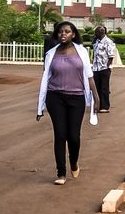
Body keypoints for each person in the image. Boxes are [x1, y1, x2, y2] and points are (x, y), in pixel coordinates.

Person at [36, 21, 100, 185]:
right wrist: (40, 106)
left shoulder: (81, 52)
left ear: (73, 34)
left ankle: (74, 161)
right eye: (60, 32)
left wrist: (96, 97)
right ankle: (61, 173)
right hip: (55, 97)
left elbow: (89, 75)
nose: (63, 34)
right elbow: (45, 79)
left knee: (73, 136)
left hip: (76, 97)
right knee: (60, 134)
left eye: (67, 31)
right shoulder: (51, 53)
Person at [92, 25, 116, 113]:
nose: (95, 34)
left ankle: (104, 106)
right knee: (96, 87)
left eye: (96, 32)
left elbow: (111, 56)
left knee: (104, 88)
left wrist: (106, 67)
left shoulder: (108, 42)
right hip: (96, 68)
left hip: (104, 68)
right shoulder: (96, 41)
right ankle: (97, 105)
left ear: (101, 32)